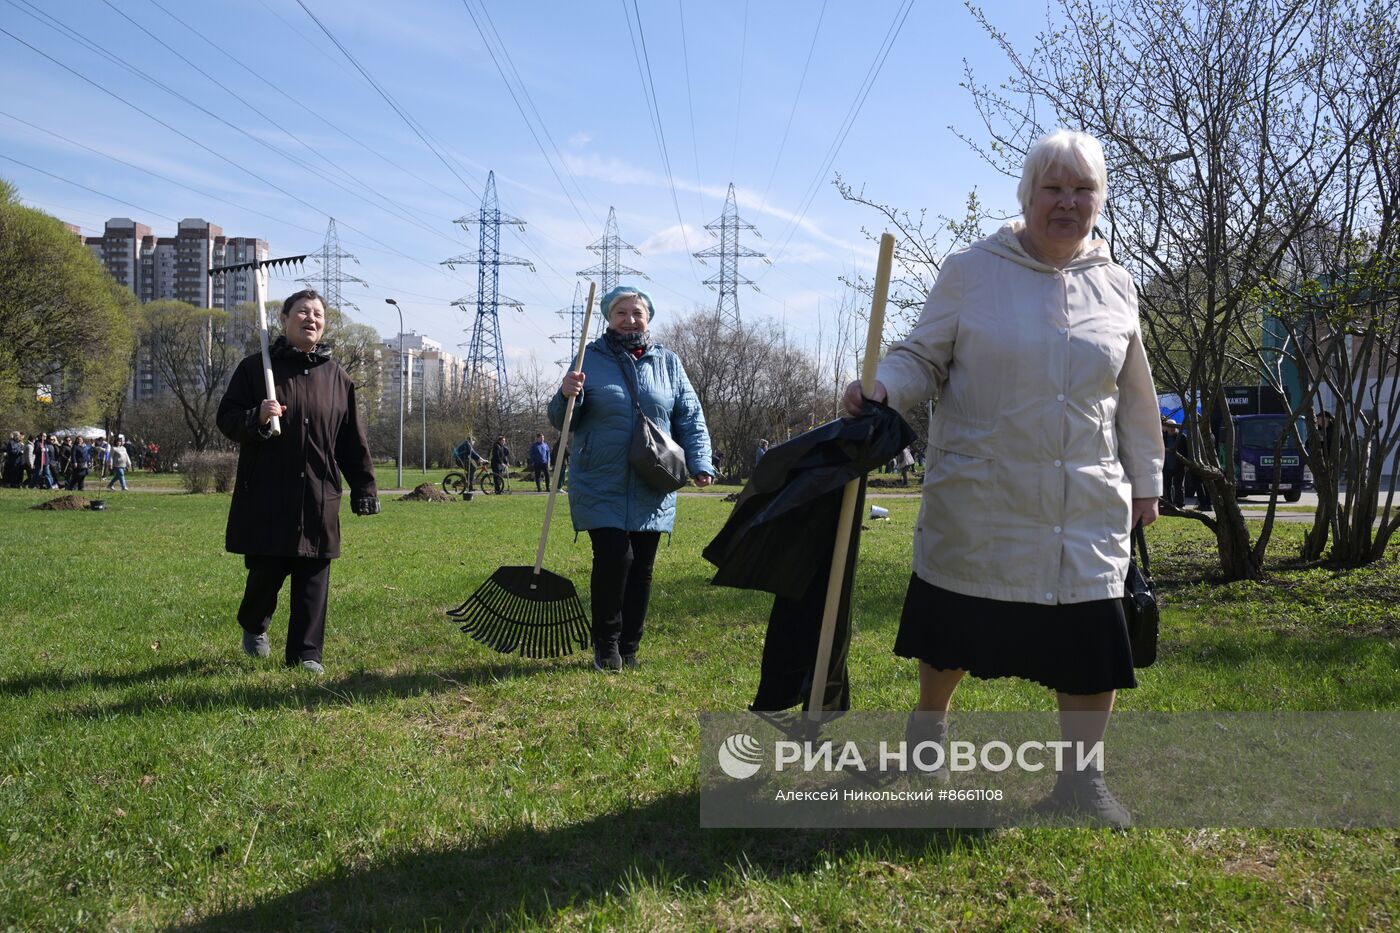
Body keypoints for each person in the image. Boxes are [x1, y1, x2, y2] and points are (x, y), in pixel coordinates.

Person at [844, 129, 1163, 827]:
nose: (1067, 202)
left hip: (1082, 500)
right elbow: (920, 357)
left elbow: (1135, 393)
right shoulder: (972, 271)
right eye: (1053, 187)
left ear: (1100, 201)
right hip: (984, 495)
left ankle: (1081, 785)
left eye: (1083, 189)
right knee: (955, 627)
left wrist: (1147, 478)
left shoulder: (1115, 283)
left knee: (1091, 643)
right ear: (1026, 194)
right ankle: (929, 730)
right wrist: (882, 387)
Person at [549, 284, 715, 672]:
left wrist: (701, 461)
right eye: (621, 312)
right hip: (599, 477)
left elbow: (690, 415)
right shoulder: (587, 358)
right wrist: (566, 392)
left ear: (648, 317)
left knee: (642, 565)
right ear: (609, 317)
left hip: (651, 478)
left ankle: (630, 646)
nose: (630, 319)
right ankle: (605, 644)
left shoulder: (668, 363)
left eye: (637, 312)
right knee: (614, 558)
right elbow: (561, 420)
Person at [216, 288, 379, 674]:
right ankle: (254, 624)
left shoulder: (338, 378)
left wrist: (365, 488)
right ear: (284, 320)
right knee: (266, 575)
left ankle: (307, 654)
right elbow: (226, 419)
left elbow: (351, 441)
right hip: (270, 494)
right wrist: (256, 415)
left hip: (319, 495)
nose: (312, 319)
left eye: (318, 314)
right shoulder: (256, 369)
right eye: (303, 312)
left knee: (314, 577)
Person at [1162, 421, 1185, 507]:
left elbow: (1185, 452)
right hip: (1167, 465)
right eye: (1170, 427)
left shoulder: (1181, 437)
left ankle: (1180, 503)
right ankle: (1169, 503)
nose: (1172, 429)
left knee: (1178, 486)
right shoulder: (1163, 437)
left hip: (1178, 466)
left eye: (1173, 427)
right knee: (1167, 485)